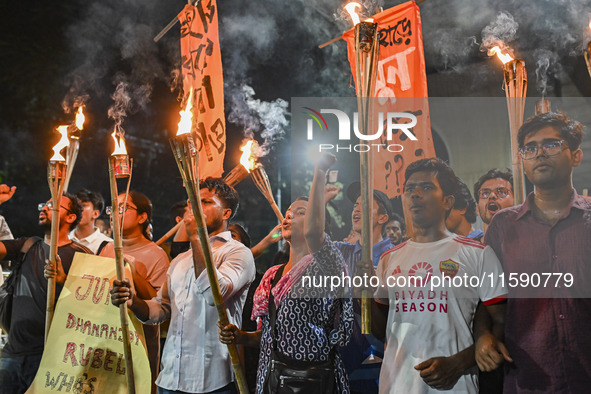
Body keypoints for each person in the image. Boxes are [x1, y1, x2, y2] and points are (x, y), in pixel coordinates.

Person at [218, 153, 353, 394]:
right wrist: (242, 337)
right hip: (272, 379)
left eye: (301, 212)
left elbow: (314, 233)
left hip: (312, 382)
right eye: (289, 212)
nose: (290, 215)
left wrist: (319, 172)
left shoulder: (326, 265)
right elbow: (271, 335)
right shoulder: (273, 274)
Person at [476, 112, 591, 393]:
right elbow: (486, 297)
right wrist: (482, 336)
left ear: (575, 155)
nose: (540, 153)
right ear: (523, 160)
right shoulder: (503, 225)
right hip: (529, 377)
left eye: (551, 145)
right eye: (530, 148)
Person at [372, 158, 508, 393]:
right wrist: (362, 292)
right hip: (397, 386)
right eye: (409, 189)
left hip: (456, 386)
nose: (415, 194)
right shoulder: (389, 259)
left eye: (426, 188)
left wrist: (459, 363)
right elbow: (379, 329)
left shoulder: (477, 254)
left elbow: (502, 322)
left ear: (447, 201)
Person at [111, 178, 255, 394]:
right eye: (191, 202)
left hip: (212, 380)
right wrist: (133, 301)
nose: (195, 207)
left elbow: (213, 294)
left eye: (205, 202)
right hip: (170, 377)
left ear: (226, 213)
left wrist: (196, 236)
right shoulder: (181, 260)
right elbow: (160, 310)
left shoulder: (237, 252)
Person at [0, 192, 91, 393]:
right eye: (44, 204)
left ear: (70, 217)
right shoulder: (27, 245)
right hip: (12, 355)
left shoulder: (83, 256)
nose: (44, 208)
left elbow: (92, 306)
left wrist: (63, 280)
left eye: (53, 205)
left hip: (53, 358)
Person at [99, 191, 169, 392]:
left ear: (142, 217)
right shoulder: (106, 249)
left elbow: (160, 308)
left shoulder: (156, 255)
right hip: (106, 341)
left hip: (139, 345)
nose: (113, 214)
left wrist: (134, 273)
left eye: (122, 208)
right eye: (112, 208)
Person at [329, 182, 393, 394]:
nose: (356, 209)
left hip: (381, 364)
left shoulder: (394, 257)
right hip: (343, 361)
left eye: (364, 206)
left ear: (382, 218)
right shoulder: (342, 252)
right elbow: (314, 239)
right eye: (355, 205)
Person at [69, 188, 112, 254]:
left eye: (83, 206)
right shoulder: (63, 239)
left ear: (95, 214)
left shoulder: (107, 244)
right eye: (75, 206)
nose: (77, 210)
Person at [473, 169, 514, 234]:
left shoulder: (529, 242)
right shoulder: (465, 244)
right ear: (477, 209)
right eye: (485, 193)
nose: (492, 196)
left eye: (501, 192)